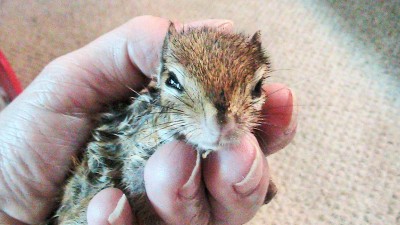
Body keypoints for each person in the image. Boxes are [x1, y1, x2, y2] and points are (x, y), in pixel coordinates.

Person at [0, 16, 297, 225]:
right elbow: (134, 167)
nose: (220, 123)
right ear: (161, 75)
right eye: (176, 84)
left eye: (255, 89)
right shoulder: (149, 125)